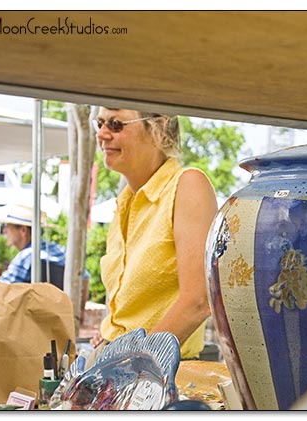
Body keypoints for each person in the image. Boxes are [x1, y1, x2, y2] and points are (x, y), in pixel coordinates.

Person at [89, 107, 218, 360]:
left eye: (116, 124)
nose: (103, 134)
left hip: (156, 373)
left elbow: (198, 302)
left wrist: (131, 363)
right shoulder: (124, 202)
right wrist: (110, 333)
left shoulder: (187, 186)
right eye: (100, 123)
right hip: (118, 363)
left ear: (159, 129)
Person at [0, 204, 66, 284]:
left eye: (8, 227)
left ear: (23, 231)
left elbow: (1, 290)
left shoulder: (26, 256)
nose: (4, 231)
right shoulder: (61, 250)